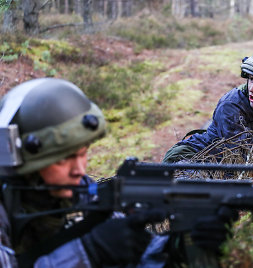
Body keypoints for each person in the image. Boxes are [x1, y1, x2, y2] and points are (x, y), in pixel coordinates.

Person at [0, 78, 233, 267]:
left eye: (83, 154)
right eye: (64, 159)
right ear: (22, 158)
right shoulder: (5, 207)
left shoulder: (83, 193)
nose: (79, 170)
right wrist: (90, 252)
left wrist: (177, 245)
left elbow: (141, 254)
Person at [162, 48, 253, 163]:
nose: (252, 88)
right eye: (251, 79)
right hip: (190, 158)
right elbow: (245, 156)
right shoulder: (231, 105)